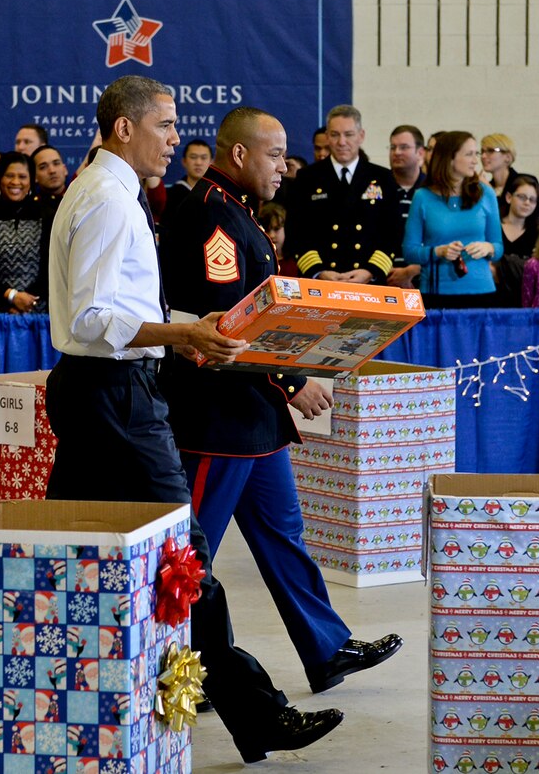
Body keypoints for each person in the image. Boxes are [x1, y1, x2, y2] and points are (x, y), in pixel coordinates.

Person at [45, 75, 344, 764]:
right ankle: (256, 711)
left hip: (101, 387)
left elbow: (120, 306)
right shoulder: (109, 200)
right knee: (186, 552)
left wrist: (194, 324)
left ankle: (70, 684)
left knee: (74, 545)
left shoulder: (110, 190)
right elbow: (94, 319)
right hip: (116, 393)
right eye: (167, 124)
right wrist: (182, 338)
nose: (178, 138)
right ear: (125, 128)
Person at [159, 104, 402, 698]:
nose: (284, 166)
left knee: (283, 536)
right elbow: (231, 329)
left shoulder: (237, 212)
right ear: (238, 154)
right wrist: (294, 383)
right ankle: (188, 675)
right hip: (217, 418)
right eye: (274, 154)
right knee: (191, 561)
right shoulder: (214, 218)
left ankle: (327, 648)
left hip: (254, 419)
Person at [284, 105, 402, 284]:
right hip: (321, 281)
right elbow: (296, 232)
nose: (341, 142)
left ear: (361, 136)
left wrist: (370, 271)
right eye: (334, 135)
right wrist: (318, 271)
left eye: (348, 134)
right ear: (327, 137)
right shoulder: (307, 178)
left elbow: (392, 232)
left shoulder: (382, 177)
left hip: (368, 281)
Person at [402, 131, 502, 307]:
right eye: (469, 154)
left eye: (475, 154)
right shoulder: (422, 197)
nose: (475, 160)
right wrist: (437, 252)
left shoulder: (486, 193)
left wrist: (488, 247)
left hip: (482, 291)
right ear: (449, 158)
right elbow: (409, 251)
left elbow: (499, 247)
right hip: (437, 293)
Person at [0, 151, 50, 314]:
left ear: (32, 180)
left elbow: (53, 269)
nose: (15, 182)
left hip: (41, 315)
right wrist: (11, 297)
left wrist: (28, 300)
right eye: (9, 176)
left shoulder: (48, 216)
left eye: (22, 176)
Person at [387, 124, 426, 288]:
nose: (396, 152)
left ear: (420, 153)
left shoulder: (433, 190)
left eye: (404, 147)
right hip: (383, 279)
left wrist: (411, 271)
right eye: (392, 147)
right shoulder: (378, 188)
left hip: (423, 280)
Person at [493, 172, 539, 306]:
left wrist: (501, 270)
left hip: (524, 301)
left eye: (532, 200)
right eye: (522, 197)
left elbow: (538, 273)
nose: (527, 203)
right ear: (509, 197)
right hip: (493, 299)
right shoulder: (493, 226)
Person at [164, 139, 213, 219]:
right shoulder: (172, 196)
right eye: (193, 157)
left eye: (203, 158)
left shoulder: (217, 194)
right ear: (184, 161)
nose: (198, 163)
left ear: (211, 162)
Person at [257, 202, 298, 276]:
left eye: (276, 229)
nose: (271, 235)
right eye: (267, 230)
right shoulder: (259, 262)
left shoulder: (296, 259)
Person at [31, 144, 69, 214]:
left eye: (56, 163)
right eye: (43, 167)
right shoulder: (30, 208)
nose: (52, 171)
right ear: (34, 176)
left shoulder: (80, 199)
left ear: (65, 169)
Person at [480, 133, 519, 199]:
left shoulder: (523, 185)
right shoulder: (485, 187)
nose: (483, 156)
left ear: (507, 157)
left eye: (490, 151)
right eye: (482, 151)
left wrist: (489, 190)